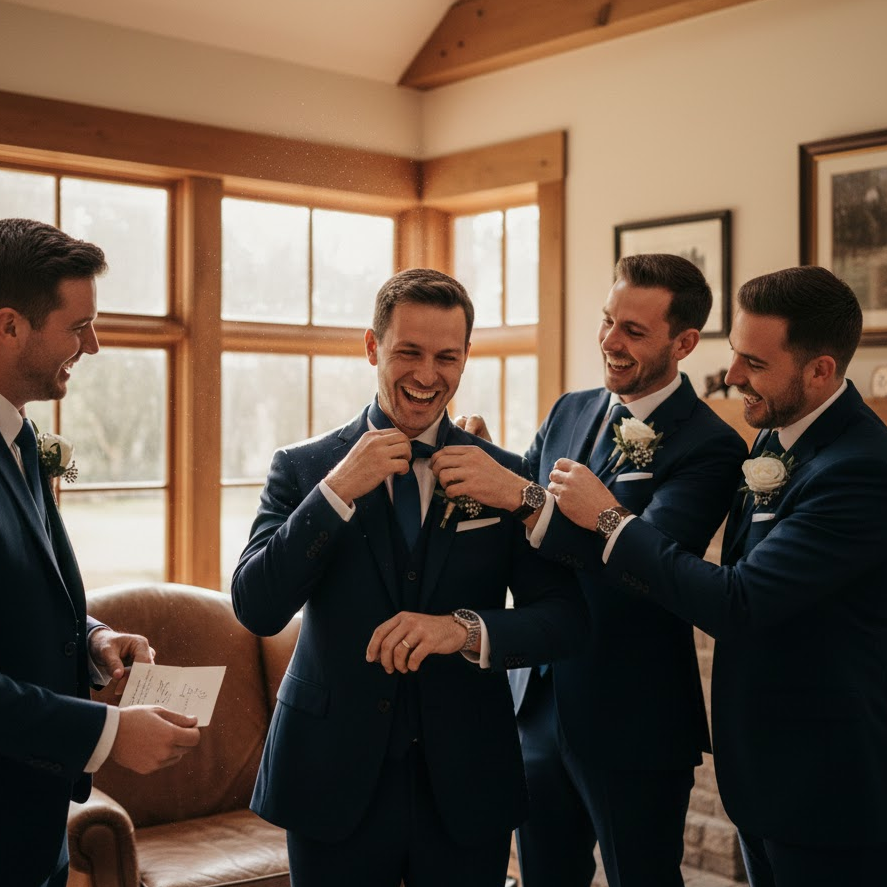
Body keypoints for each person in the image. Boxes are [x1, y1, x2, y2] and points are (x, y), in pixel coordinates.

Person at [231, 267, 588, 887]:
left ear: (467, 357)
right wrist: (338, 490)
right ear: (372, 348)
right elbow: (256, 606)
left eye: (447, 356)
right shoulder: (304, 468)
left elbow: (564, 619)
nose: (428, 376)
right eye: (409, 353)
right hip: (330, 772)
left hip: (468, 775)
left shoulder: (503, 475)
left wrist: (464, 630)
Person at [548, 266, 887, 886]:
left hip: (827, 782)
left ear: (821, 372)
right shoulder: (774, 441)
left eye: (753, 364)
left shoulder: (859, 469)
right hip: (763, 774)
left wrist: (611, 520)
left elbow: (740, 600)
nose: (730, 377)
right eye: (735, 355)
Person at [435, 253, 747, 887]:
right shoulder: (569, 409)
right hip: (537, 698)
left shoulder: (712, 446)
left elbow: (648, 568)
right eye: (608, 320)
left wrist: (523, 497)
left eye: (634, 330)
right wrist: (480, 450)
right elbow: (520, 506)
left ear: (683, 342)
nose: (610, 340)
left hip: (632, 710)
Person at [0, 218, 202, 887]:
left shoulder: (22, 438)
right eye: (78, 325)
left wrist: (93, 638)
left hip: (31, 837)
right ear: (9, 327)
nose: (94, 344)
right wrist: (107, 733)